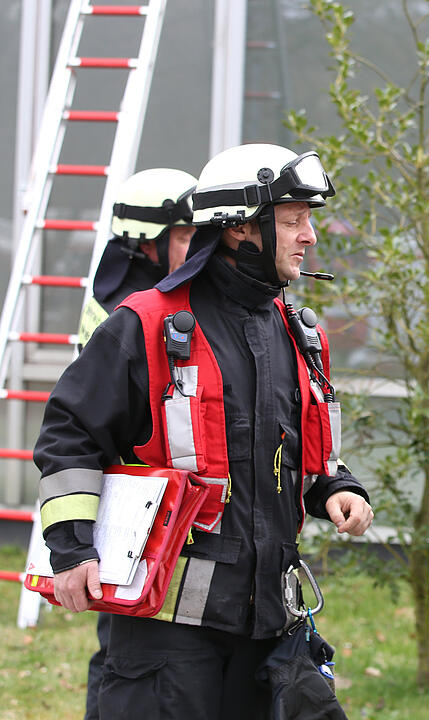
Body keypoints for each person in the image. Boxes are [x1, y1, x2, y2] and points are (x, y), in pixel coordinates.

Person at [33, 143, 373, 719]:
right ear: (242, 228)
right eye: (292, 221)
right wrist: (70, 551)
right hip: (167, 640)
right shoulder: (147, 322)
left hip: (266, 623)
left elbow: (303, 454)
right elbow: (69, 434)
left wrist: (337, 490)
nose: (309, 236)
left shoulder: (297, 332)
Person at [77, 167, 198, 720]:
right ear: (148, 242)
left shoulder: (127, 288)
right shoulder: (132, 313)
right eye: (185, 235)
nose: (199, 247)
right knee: (126, 658)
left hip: (152, 504)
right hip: (131, 507)